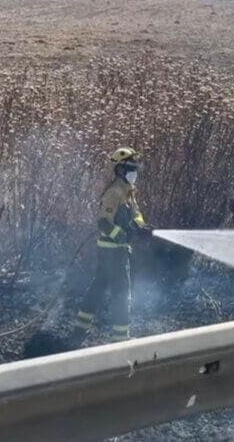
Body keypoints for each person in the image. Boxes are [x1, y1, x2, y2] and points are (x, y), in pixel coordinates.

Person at [71, 147, 153, 345]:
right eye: (130, 168)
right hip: (112, 252)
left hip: (116, 252)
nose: (135, 173)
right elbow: (104, 223)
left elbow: (136, 215)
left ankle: (79, 331)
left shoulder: (128, 192)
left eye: (135, 168)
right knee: (122, 294)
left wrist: (142, 227)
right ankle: (120, 339)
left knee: (97, 288)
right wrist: (123, 235)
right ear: (120, 170)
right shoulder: (114, 193)